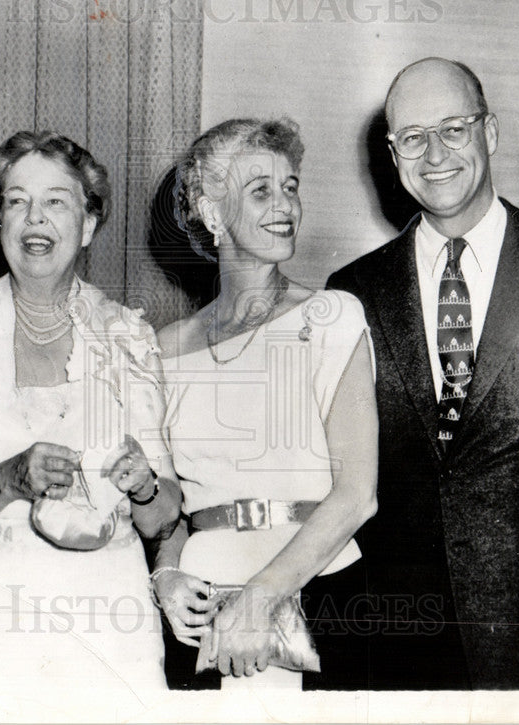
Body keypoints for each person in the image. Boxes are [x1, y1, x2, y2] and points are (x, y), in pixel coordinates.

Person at [0, 131, 182, 705]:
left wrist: (145, 485)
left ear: (89, 223)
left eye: (56, 200)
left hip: (105, 631)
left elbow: (161, 519)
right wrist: (9, 480)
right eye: (16, 200)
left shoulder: (128, 336)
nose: (36, 218)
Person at [328, 57, 519, 689]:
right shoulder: (352, 291)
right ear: (393, 153)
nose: (434, 154)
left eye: (453, 129)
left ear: (489, 132)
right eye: (413, 137)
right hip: (396, 631)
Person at [152, 118, 378, 691]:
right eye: (260, 191)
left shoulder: (332, 316)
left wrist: (258, 601)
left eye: (291, 186)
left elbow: (356, 496)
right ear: (210, 213)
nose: (285, 206)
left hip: (320, 594)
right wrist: (167, 576)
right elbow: (172, 507)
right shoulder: (165, 348)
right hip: (201, 612)